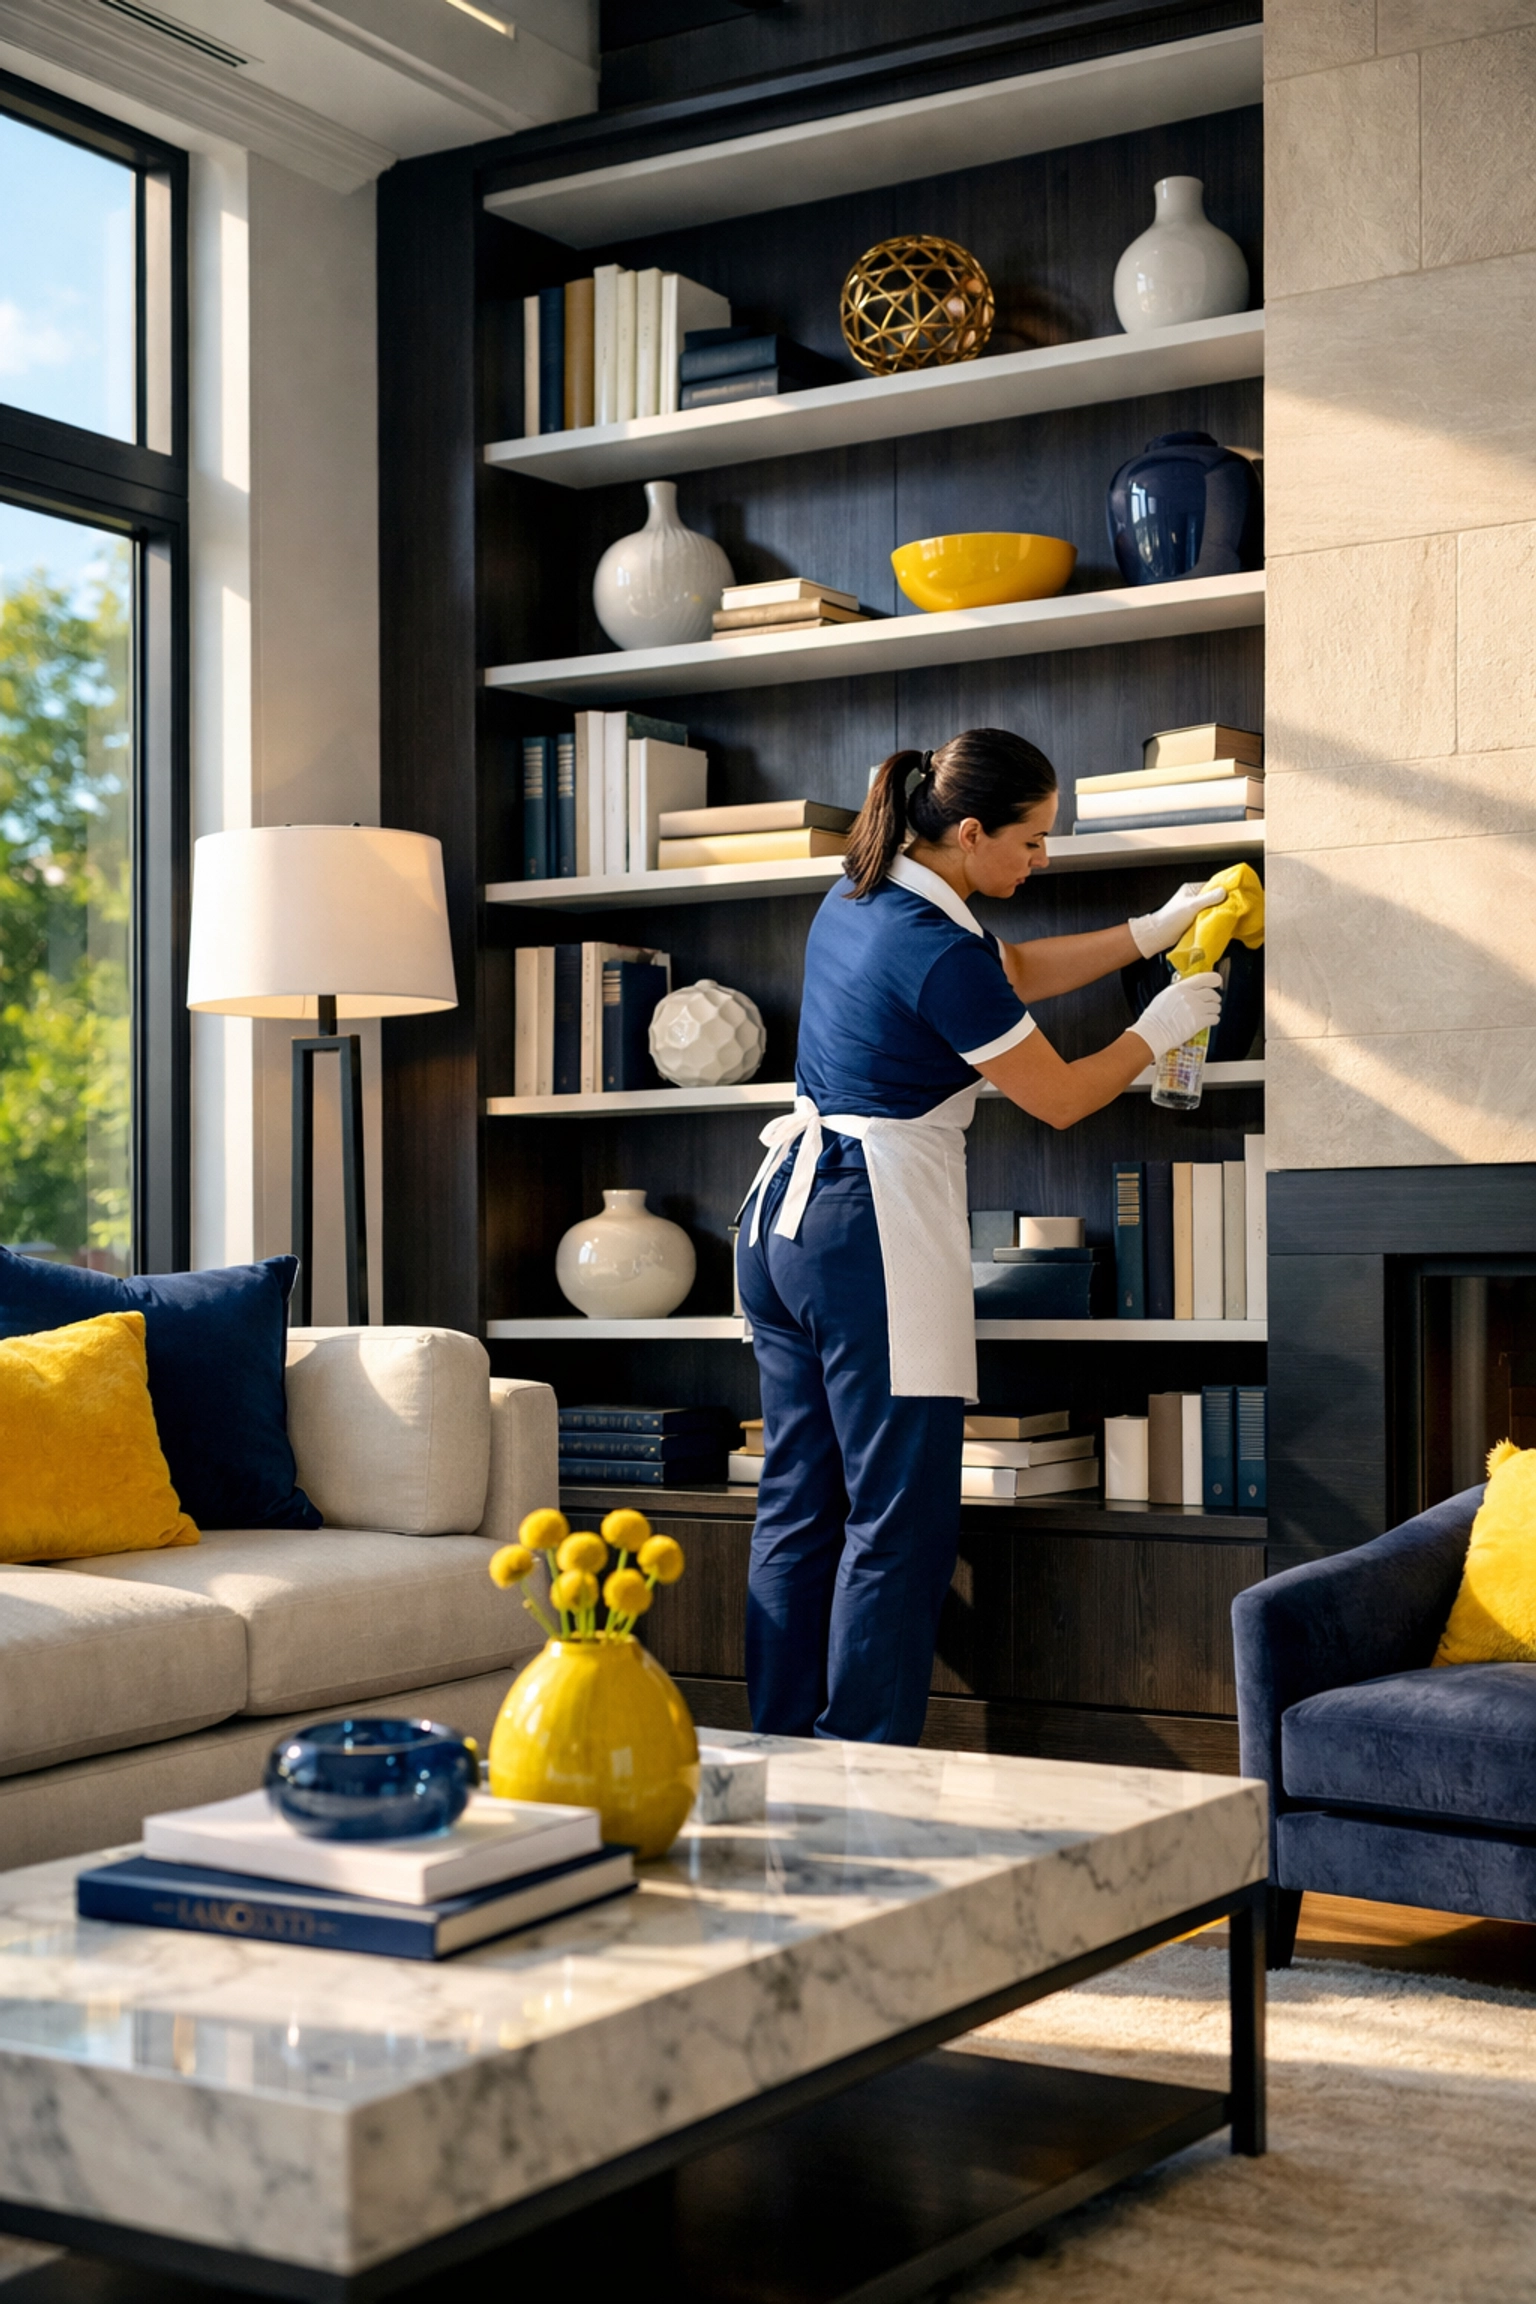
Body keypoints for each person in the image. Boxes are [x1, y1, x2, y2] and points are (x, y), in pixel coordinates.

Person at [735, 726, 1223, 1744]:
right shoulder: (935, 947)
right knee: (899, 1521)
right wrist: (1156, 1031)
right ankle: (864, 1765)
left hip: (782, 1226)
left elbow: (1012, 970)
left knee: (800, 1501)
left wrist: (1152, 930)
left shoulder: (866, 892)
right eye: (1034, 841)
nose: (1044, 861)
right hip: (864, 1226)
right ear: (969, 832)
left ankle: (776, 1753)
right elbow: (1055, 1097)